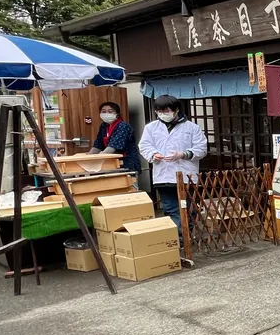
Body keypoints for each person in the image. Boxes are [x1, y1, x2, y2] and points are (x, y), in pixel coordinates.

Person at [138, 95, 207, 236]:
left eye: (166, 110)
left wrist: (183, 154)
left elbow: (202, 148)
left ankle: (186, 234)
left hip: (186, 175)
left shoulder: (192, 128)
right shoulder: (151, 127)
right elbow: (144, 145)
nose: (163, 114)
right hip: (163, 175)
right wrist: (153, 154)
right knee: (170, 208)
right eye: (160, 111)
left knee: (187, 207)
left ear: (176, 110)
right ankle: (179, 237)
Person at [88, 102, 141, 171]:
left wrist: (97, 159)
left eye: (110, 111)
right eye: (103, 111)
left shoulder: (123, 126)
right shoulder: (104, 126)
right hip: (111, 162)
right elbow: (98, 144)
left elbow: (113, 147)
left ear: (117, 114)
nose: (106, 114)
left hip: (126, 163)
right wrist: (88, 157)